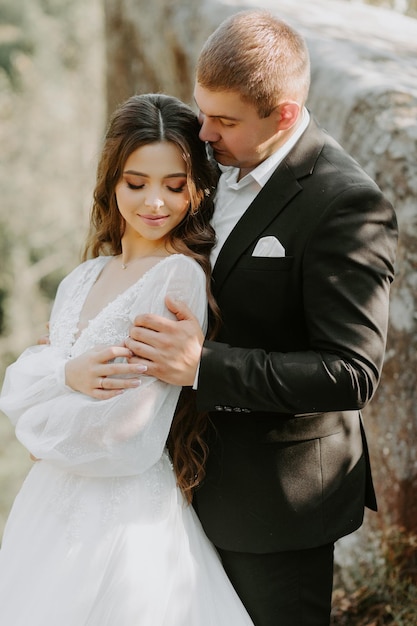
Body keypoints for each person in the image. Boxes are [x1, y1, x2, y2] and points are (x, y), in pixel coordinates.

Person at [64, 10, 399, 626]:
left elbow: (351, 373)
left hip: (274, 506)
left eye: (225, 121)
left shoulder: (346, 205)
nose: (205, 134)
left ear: (286, 116)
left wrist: (203, 365)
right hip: (168, 487)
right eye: (202, 112)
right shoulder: (206, 167)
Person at [0, 93, 256, 626]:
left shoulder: (176, 278)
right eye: (136, 183)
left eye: (174, 185)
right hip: (48, 506)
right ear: (112, 182)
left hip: (124, 520)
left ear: (197, 189)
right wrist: (66, 376)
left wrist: (40, 428)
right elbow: (20, 384)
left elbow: (126, 435)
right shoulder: (82, 278)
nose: (154, 203)